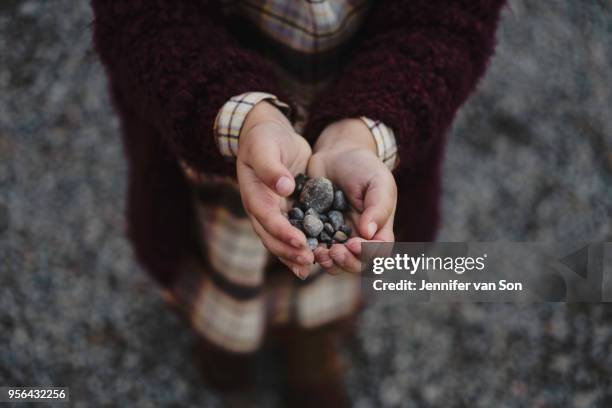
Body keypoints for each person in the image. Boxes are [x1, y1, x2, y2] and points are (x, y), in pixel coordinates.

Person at [92, 0, 505, 405]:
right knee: (220, 277)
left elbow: (450, 21)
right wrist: (246, 119)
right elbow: (140, 19)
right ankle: (222, 342)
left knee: (331, 265)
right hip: (217, 160)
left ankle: (310, 344)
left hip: (357, 142)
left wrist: (359, 133)